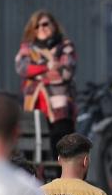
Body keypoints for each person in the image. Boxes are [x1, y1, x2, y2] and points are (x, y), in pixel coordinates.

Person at [14, 10, 77, 159]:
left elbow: (65, 73)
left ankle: (62, 181)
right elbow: (22, 68)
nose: (41, 28)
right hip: (33, 106)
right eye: (37, 26)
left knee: (62, 150)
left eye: (45, 24)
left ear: (54, 25)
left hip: (60, 109)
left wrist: (35, 73)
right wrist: (48, 67)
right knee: (32, 151)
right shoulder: (27, 49)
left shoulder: (66, 46)